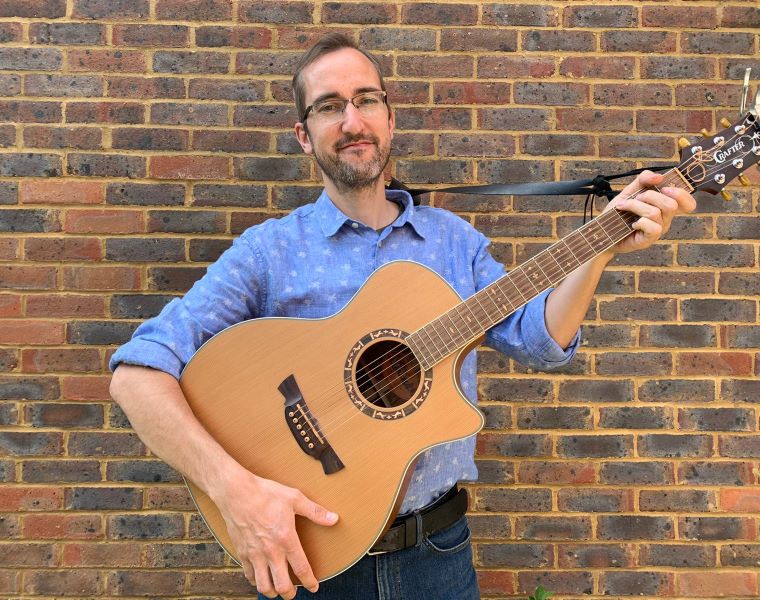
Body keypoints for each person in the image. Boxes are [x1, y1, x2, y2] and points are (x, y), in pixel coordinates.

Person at [109, 33, 696, 600]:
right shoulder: (268, 252)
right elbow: (137, 375)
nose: (351, 120)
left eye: (366, 100)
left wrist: (600, 248)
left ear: (390, 119)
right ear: (304, 135)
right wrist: (234, 492)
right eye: (329, 107)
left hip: (436, 559)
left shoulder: (453, 243)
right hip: (309, 560)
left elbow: (538, 340)